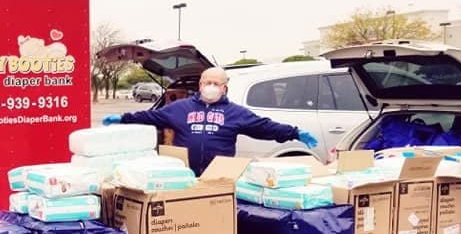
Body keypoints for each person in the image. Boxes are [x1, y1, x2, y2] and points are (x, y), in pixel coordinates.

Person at [103, 67, 318, 175]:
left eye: (217, 83)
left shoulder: (235, 113)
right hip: (185, 176)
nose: (211, 87)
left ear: (225, 88)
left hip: (219, 178)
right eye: (208, 82)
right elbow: (150, 117)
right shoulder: (179, 108)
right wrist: (123, 118)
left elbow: (264, 127)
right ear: (200, 84)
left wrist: (294, 133)